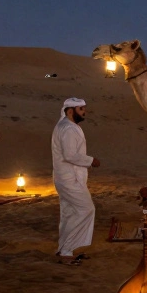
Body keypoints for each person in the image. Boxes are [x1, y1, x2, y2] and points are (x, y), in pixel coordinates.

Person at [53, 98, 99, 265]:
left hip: (67, 178)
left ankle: (65, 250)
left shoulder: (68, 126)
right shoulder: (68, 129)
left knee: (69, 214)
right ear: (70, 111)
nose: (84, 112)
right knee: (86, 209)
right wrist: (91, 161)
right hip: (69, 179)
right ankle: (66, 249)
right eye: (81, 109)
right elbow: (70, 155)